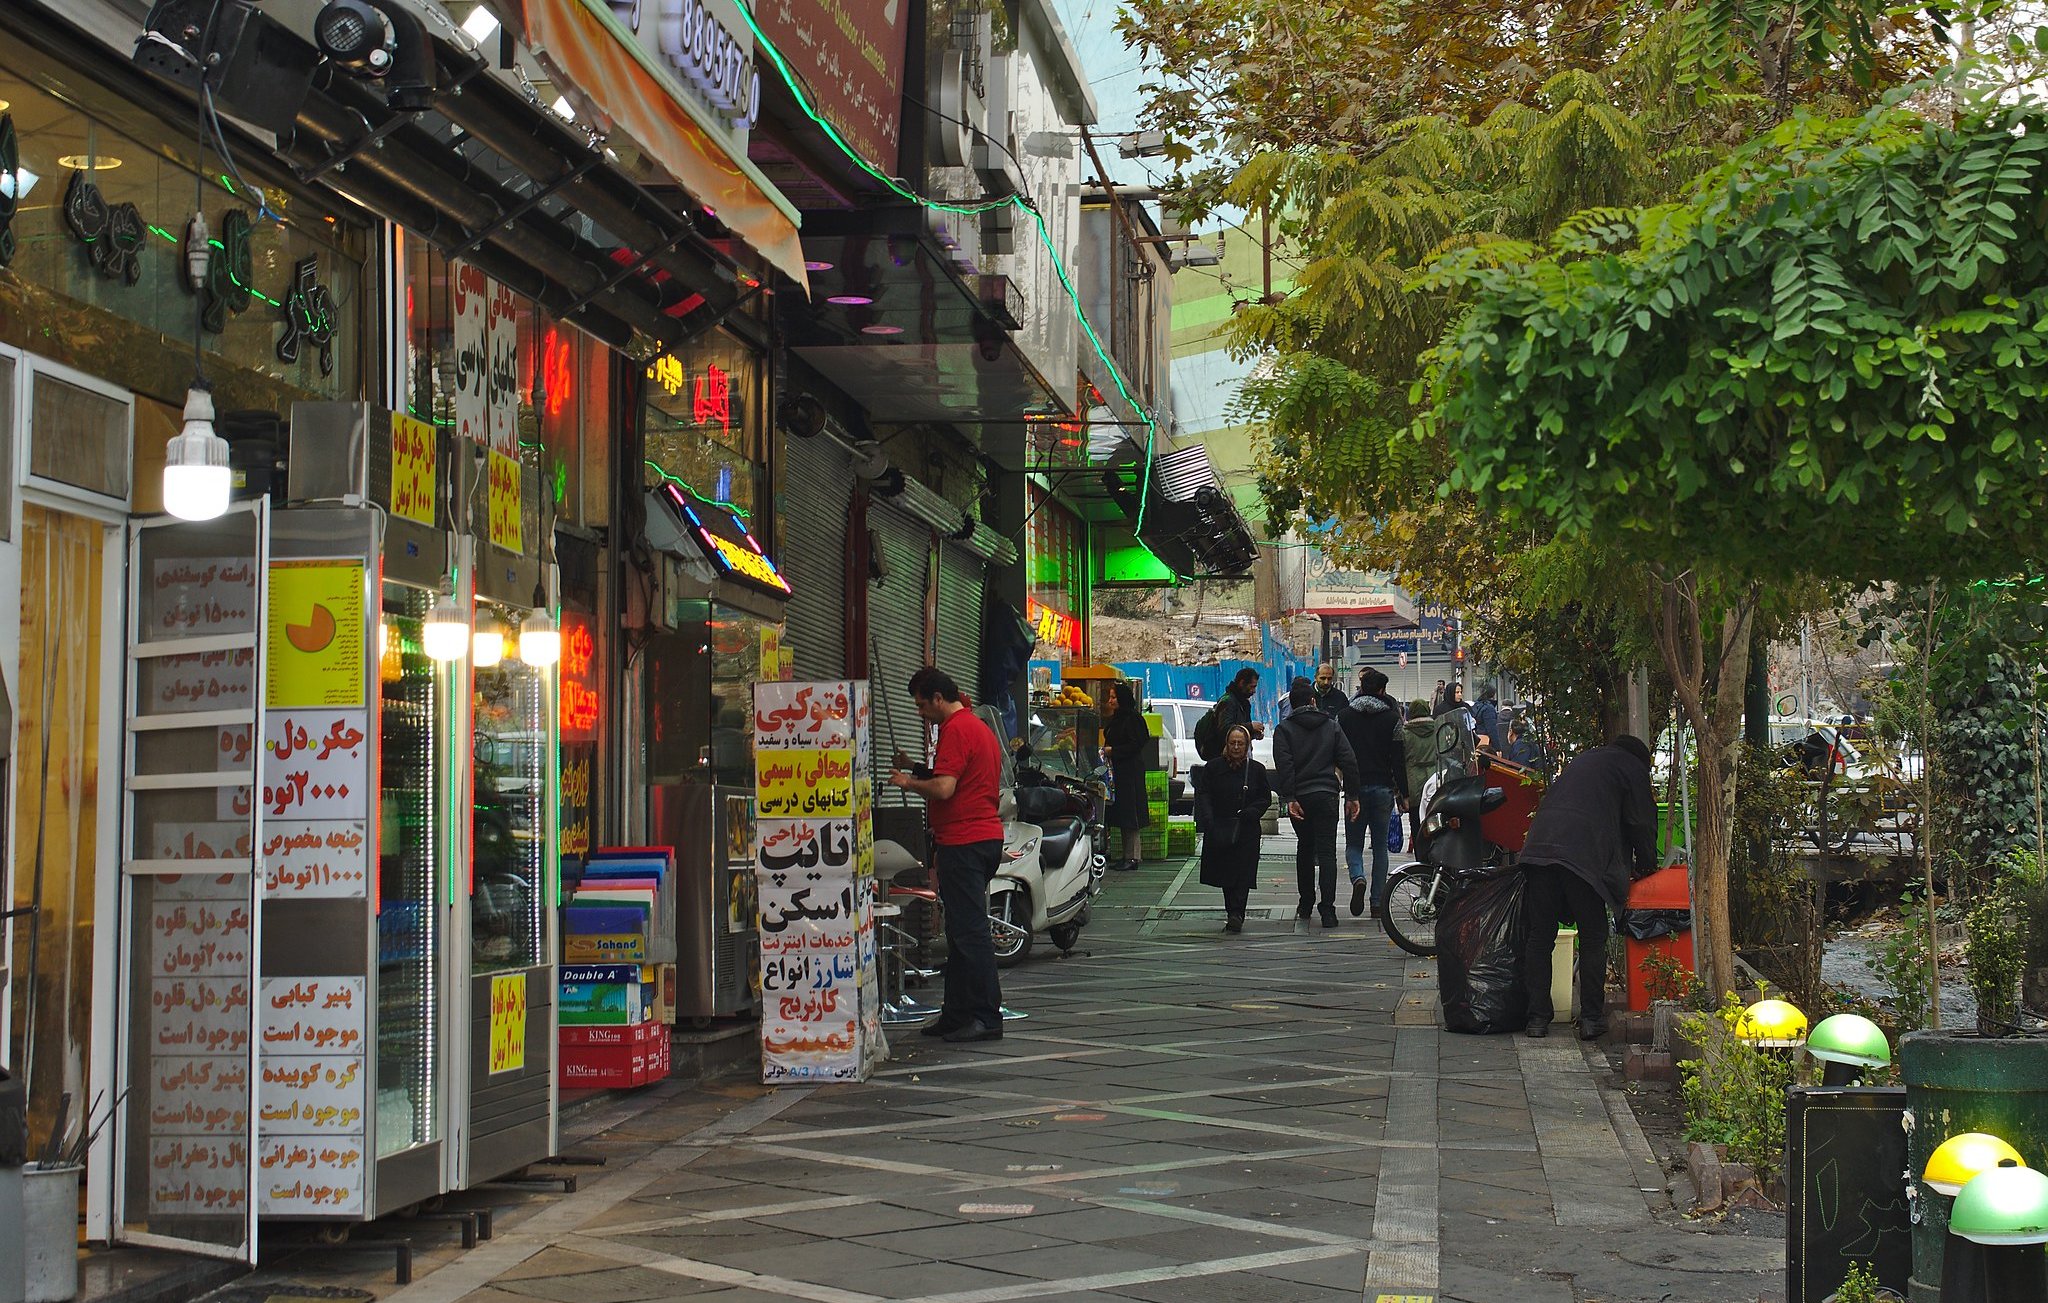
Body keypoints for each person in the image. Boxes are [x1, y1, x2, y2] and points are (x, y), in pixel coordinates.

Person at [888, 667, 1006, 1043]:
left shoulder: (955, 730)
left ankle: (986, 1017)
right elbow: (957, 775)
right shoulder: (977, 728)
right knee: (958, 931)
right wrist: (914, 767)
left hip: (965, 841)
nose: (920, 712)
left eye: (922, 705)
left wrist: (907, 782)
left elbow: (944, 787)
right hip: (981, 838)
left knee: (970, 933)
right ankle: (956, 1014)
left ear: (938, 698)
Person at [1518, 734, 1659, 1041]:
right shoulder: (1632, 768)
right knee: (1594, 936)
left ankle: (1537, 1019)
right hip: (1581, 857)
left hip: (1539, 850)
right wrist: (1648, 865)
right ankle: (1592, 1019)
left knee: (1540, 936)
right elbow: (1641, 823)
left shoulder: (1586, 759)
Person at [1273, 677, 1362, 927]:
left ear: (1291, 704)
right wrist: (1352, 796)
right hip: (1327, 796)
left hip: (1300, 797)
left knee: (1304, 848)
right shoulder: (1331, 726)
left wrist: (1289, 797)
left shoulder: (1284, 730)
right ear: (1313, 701)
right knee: (1327, 853)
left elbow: (1285, 766)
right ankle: (1328, 911)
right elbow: (1349, 760)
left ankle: (1305, 903)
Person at [1338, 668, 1405, 919]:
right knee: (1379, 848)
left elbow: (1338, 752)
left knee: (1354, 844)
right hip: (1383, 789)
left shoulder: (1343, 717)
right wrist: (1404, 794)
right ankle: (1377, 903)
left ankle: (1358, 877)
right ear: (1381, 691)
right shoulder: (1392, 719)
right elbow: (1398, 760)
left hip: (1354, 790)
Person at [1195, 725, 1271, 933]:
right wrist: (1209, 821)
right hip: (1220, 826)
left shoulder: (1256, 770)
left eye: (1240, 743)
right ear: (1226, 745)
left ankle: (1237, 912)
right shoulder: (1213, 768)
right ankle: (1232, 910)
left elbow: (1265, 797)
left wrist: (1252, 812)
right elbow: (1204, 795)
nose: (1236, 747)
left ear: (1247, 746)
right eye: (1232, 743)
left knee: (1243, 872)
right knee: (1225, 872)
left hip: (1246, 828)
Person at [1100, 680, 1151, 872]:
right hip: (1118, 772)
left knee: (1130, 814)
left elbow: (1137, 743)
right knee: (1122, 813)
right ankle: (1126, 855)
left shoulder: (1132, 719)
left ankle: (1132, 857)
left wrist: (1114, 751)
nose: (1110, 701)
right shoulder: (1118, 718)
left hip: (1129, 772)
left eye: (1114, 697)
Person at [1400, 699, 1441, 854]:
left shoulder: (1405, 733)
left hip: (1413, 785)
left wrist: (1400, 792)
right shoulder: (1438, 729)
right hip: (1435, 783)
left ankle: (1421, 857)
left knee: (1416, 824)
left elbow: (1399, 760)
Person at [1470, 684, 1502, 750]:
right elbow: (1492, 729)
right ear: (1493, 694)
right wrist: (1498, 748)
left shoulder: (1476, 705)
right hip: (1487, 743)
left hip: (1476, 741)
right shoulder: (1489, 708)